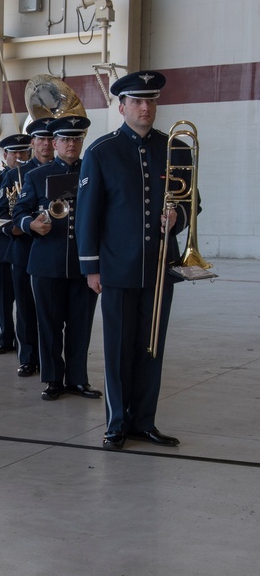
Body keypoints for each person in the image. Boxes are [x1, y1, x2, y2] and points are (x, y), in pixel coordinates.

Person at [76, 70, 194, 450]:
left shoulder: (175, 147)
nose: (146, 108)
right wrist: (91, 266)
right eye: (138, 102)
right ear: (122, 106)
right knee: (118, 349)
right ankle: (117, 423)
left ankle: (145, 421)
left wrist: (179, 218)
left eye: (151, 101)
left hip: (160, 267)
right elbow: (88, 214)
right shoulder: (101, 151)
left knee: (151, 347)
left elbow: (193, 202)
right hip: (117, 267)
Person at [12, 116, 101, 403]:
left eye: (76, 139)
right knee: (48, 326)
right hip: (47, 262)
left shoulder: (95, 171)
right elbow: (19, 212)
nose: (71, 144)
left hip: (84, 262)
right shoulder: (37, 175)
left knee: (80, 325)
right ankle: (52, 379)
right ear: (54, 143)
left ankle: (77, 379)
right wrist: (31, 225)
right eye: (65, 139)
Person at [0, 118, 55, 377]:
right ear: (33, 143)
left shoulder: (64, 170)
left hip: (54, 249)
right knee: (25, 308)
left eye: (49, 139)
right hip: (23, 248)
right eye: (40, 139)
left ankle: (51, 358)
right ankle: (28, 357)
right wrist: (24, 225)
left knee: (52, 310)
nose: (45, 144)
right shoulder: (13, 175)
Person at [0, 134, 31, 355]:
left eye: (23, 152)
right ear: (6, 155)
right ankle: (5, 337)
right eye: (15, 153)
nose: (19, 156)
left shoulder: (34, 176)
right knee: (2, 295)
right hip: (1, 244)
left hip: (25, 244)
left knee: (24, 298)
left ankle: (26, 341)